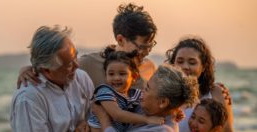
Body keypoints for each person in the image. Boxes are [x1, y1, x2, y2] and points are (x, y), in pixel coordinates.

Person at [9, 25, 97, 132]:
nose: (76, 65)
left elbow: (94, 114)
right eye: (68, 64)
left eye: (75, 56)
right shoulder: (29, 97)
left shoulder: (81, 78)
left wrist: (85, 124)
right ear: (46, 70)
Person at [17, 3, 158, 90]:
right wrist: (29, 69)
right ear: (120, 39)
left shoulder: (150, 68)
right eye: (141, 47)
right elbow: (56, 70)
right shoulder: (89, 64)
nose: (146, 52)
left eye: (150, 46)